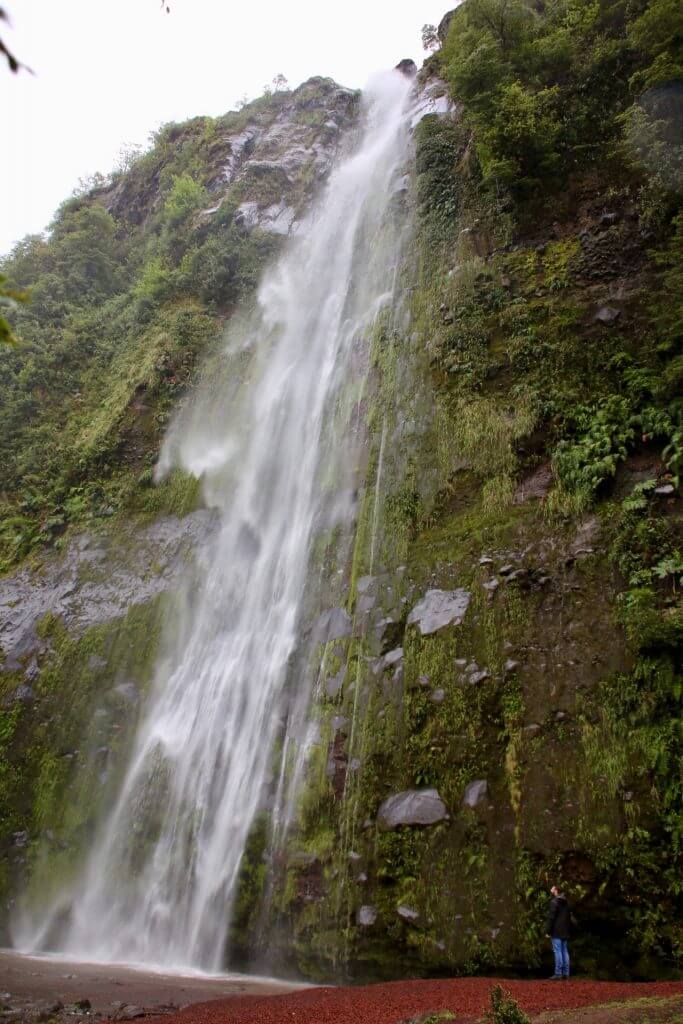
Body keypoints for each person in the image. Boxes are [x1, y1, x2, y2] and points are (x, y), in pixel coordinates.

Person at [545, 884, 570, 979]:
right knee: (565, 951)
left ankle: (558, 973)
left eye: (552, 888)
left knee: (557, 950)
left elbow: (551, 918)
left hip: (556, 930)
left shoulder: (554, 902)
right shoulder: (566, 902)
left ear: (556, 890)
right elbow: (568, 917)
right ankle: (566, 974)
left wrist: (548, 931)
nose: (550, 889)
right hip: (565, 930)